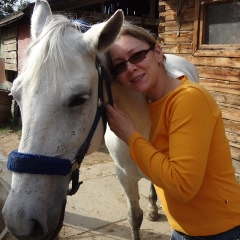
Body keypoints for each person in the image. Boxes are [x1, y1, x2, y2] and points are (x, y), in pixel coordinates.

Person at [105, 22, 240, 240]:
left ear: (158, 52)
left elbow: (182, 185)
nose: (130, 68)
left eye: (137, 56)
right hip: (182, 229)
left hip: (219, 230)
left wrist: (131, 136)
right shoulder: (152, 103)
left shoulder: (188, 99)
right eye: (120, 66)